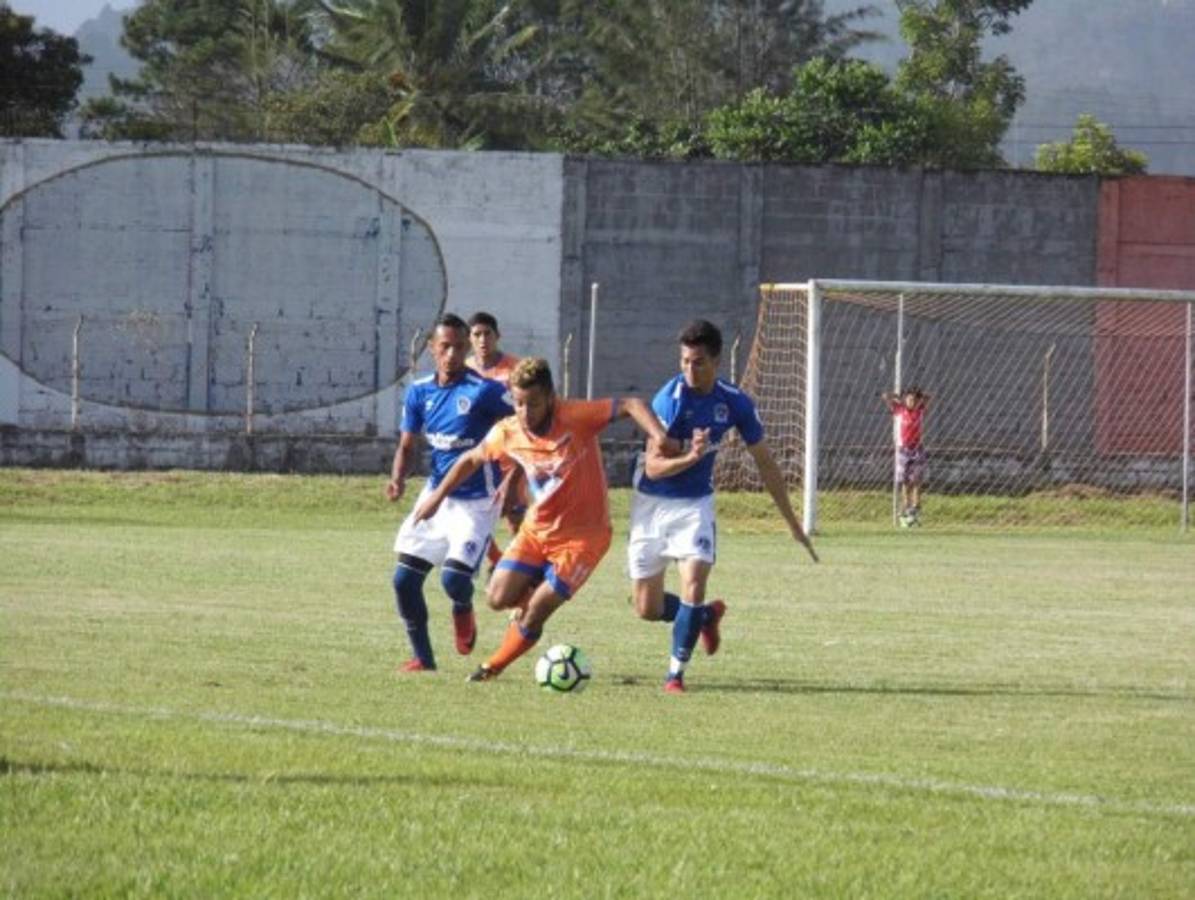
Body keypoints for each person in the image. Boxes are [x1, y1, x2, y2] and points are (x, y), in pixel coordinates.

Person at [412, 357, 671, 683]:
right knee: (496, 598)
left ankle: (492, 666)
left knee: (537, 609)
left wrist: (659, 437)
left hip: (584, 537)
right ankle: (532, 589)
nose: (525, 412)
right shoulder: (508, 431)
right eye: (518, 403)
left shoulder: (575, 416)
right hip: (536, 531)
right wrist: (436, 498)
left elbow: (633, 404)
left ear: (550, 397)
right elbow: (471, 458)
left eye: (533, 403)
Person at [629, 319, 819, 694]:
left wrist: (792, 521)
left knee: (694, 582)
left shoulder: (734, 402)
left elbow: (765, 463)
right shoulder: (669, 400)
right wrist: (691, 457)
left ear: (716, 362)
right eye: (684, 361)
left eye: (698, 362)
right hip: (652, 504)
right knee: (647, 609)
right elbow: (653, 467)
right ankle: (704, 617)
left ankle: (674, 675)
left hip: (695, 506)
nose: (689, 370)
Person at [385, 313, 513, 672]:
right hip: (436, 495)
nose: (453, 354)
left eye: (459, 347)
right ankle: (423, 659)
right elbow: (407, 444)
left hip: (478, 502)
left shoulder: (484, 391)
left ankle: (462, 606)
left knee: (453, 580)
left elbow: (524, 423)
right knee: (404, 580)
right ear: (431, 348)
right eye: (445, 347)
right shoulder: (419, 391)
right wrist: (397, 479)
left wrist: (516, 476)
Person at [465, 310, 525, 570]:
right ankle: (500, 562)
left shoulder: (515, 369)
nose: (482, 340)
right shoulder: (465, 370)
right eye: (476, 334)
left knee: (514, 516)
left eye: (487, 333)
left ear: (497, 335)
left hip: (510, 454)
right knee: (475, 516)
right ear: (469, 338)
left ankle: (522, 567)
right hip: (478, 455)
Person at [881, 386, 930, 527]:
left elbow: (928, 397)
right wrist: (897, 396)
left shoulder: (920, 411)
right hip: (903, 450)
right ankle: (905, 509)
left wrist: (920, 396)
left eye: (914, 400)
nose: (911, 402)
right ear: (905, 400)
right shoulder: (899, 410)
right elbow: (885, 396)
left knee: (917, 480)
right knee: (905, 481)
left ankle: (915, 509)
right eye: (909, 399)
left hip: (917, 449)